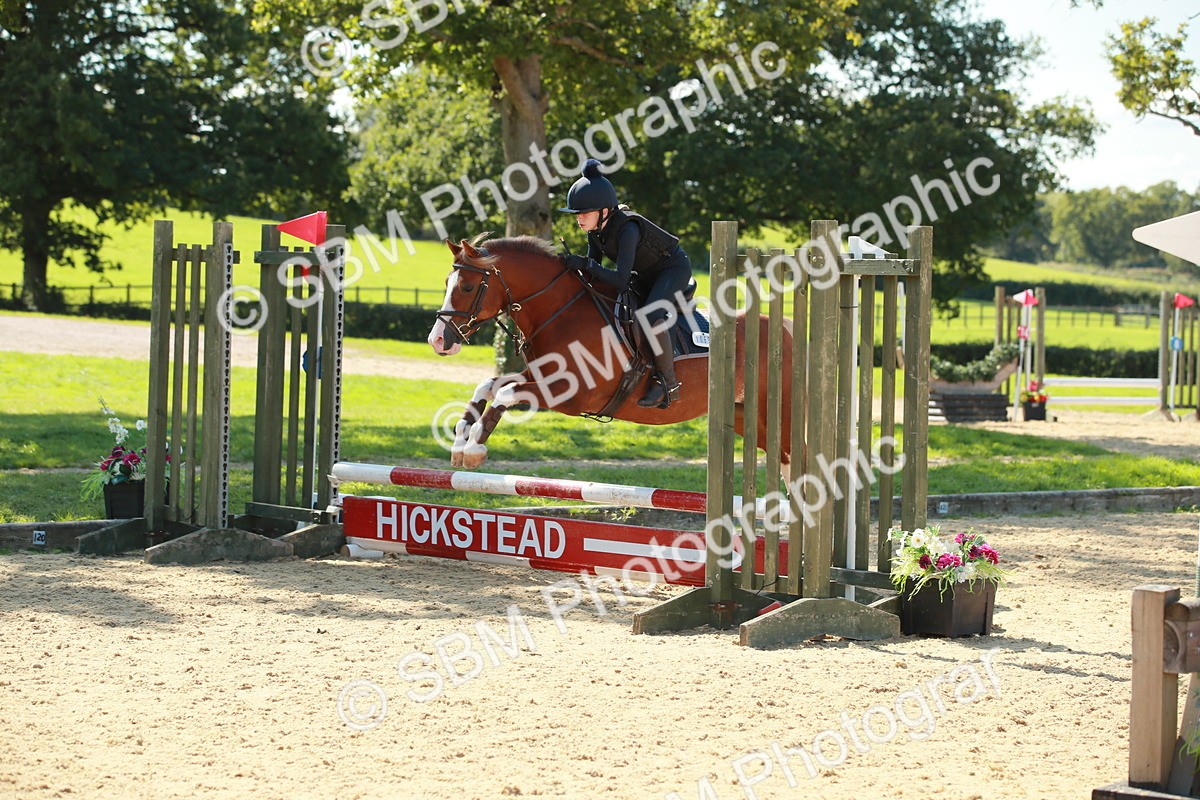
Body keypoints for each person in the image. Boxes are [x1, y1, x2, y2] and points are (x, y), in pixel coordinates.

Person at [559, 158, 693, 409]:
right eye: (577, 214)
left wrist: (585, 265)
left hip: (672, 269)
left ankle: (668, 383)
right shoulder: (595, 232)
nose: (579, 218)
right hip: (646, 273)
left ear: (605, 211)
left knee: (648, 316)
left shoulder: (627, 230)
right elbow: (592, 275)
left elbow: (619, 279)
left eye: (585, 213)